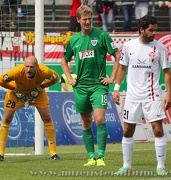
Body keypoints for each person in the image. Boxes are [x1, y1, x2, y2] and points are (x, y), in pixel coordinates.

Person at [61, 5, 120, 167]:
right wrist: (69, 78)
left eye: (90, 19)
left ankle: (101, 157)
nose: (87, 22)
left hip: (98, 86)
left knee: (100, 119)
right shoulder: (74, 40)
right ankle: (91, 157)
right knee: (86, 122)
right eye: (84, 19)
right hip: (81, 87)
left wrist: (112, 78)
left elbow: (117, 55)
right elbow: (64, 60)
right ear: (78, 20)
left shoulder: (102, 35)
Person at [113, 15, 171, 176]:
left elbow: (167, 71)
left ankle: (160, 166)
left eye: (155, 30)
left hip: (152, 95)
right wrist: (116, 88)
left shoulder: (160, 48)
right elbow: (122, 68)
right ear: (141, 29)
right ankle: (126, 166)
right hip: (132, 96)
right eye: (151, 30)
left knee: (158, 129)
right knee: (127, 130)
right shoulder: (128, 46)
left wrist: (169, 93)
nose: (154, 33)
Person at [0, 56, 61, 161]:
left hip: (37, 93)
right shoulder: (17, 71)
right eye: (26, 67)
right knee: (7, 118)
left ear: (37, 67)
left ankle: (53, 154)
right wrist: (13, 88)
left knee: (47, 118)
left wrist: (41, 87)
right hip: (15, 93)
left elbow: (56, 78)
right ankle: (0, 154)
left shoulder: (44, 71)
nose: (28, 69)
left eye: (31, 67)